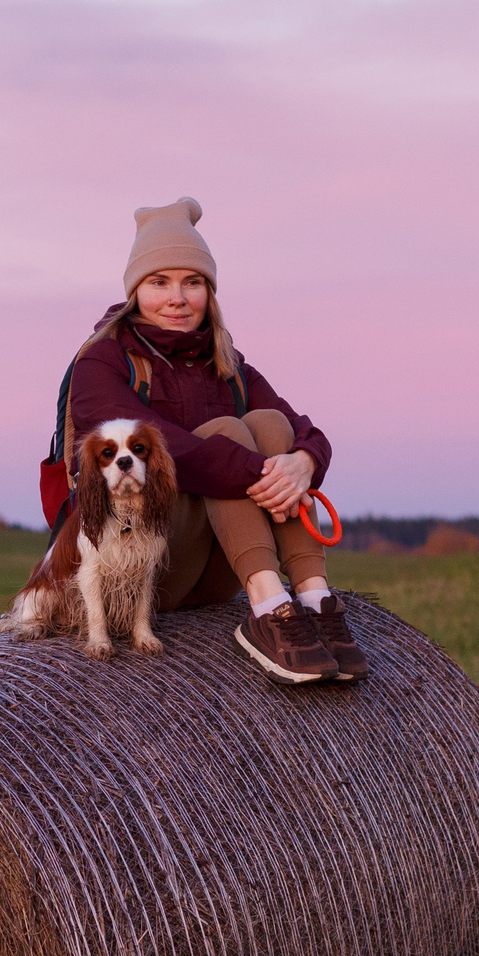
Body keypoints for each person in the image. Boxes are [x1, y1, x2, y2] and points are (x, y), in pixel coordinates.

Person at [59, 197, 368, 684]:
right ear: (135, 290)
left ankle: (314, 598)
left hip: (219, 565)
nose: (177, 298)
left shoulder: (228, 363)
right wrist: (263, 473)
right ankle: (268, 607)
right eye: (159, 282)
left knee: (267, 423)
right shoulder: (103, 362)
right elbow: (173, 452)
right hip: (141, 568)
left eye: (193, 282)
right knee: (225, 433)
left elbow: (302, 428)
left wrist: (305, 462)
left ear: (210, 291)